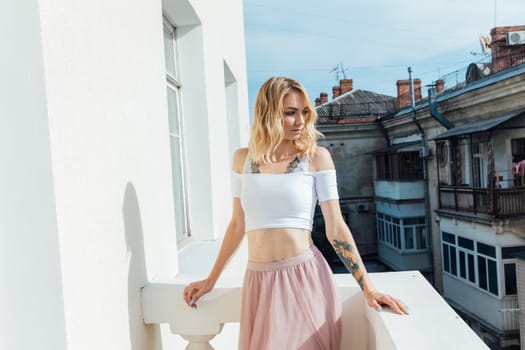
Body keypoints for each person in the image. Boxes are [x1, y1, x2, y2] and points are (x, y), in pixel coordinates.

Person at [183, 77, 407, 350]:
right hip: (259, 280)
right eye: (290, 112)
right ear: (268, 113)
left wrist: (368, 287)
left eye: (304, 112)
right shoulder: (243, 160)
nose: (300, 121)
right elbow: (237, 224)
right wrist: (211, 279)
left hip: (304, 276)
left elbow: (336, 227)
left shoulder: (316, 157)